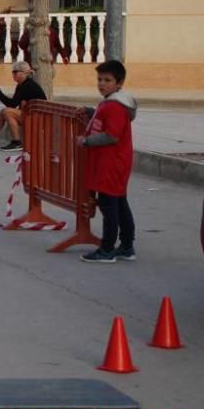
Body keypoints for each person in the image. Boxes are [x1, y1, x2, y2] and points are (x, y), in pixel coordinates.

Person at [78, 60, 138, 264]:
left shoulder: (114, 106)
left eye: (107, 80)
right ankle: (127, 246)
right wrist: (90, 112)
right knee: (119, 203)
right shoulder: (112, 102)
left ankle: (107, 249)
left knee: (109, 206)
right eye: (99, 79)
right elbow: (104, 121)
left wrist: (86, 141)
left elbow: (112, 135)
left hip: (111, 163)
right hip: (115, 162)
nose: (102, 84)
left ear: (119, 83)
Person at [0, 60, 46, 152]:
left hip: (37, 117)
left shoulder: (27, 85)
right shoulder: (22, 84)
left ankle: (16, 142)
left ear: (23, 73)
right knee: (4, 112)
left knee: (7, 111)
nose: (13, 75)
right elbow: (13, 103)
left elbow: (11, 104)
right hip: (30, 115)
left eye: (15, 72)